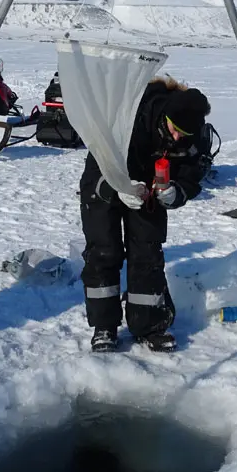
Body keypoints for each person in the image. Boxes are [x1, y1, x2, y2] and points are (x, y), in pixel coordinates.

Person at [79, 77, 211, 353]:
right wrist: (117, 188)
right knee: (104, 249)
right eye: (174, 130)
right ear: (165, 116)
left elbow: (192, 173)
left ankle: (148, 325)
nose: (177, 138)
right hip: (105, 179)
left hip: (151, 188)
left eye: (183, 135)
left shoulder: (194, 133)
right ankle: (104, 327)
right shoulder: (130, 115)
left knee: (147, 252)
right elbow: (102, 160)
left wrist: (177, 191)